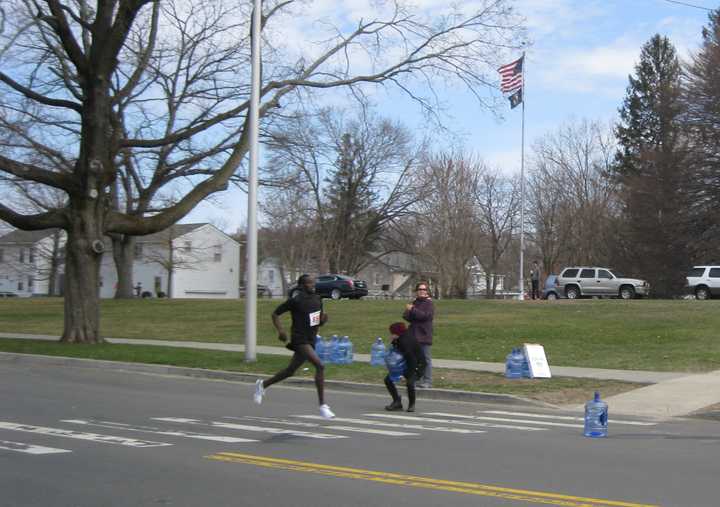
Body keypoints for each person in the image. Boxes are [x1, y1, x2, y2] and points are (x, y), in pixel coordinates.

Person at [253, 274, 335, 419]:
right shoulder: (295, 301)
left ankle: (262, 385)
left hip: (311, 339)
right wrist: (281, 331)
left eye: (313, 282)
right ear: (302, 286)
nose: (313, 285)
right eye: (309, 283)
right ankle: (323, 406)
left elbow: (315, 322)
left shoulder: (318, 299)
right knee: (320, 366)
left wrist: (323, 321)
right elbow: (275, 314)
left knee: (290, 371)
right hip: (299, 340)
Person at [383, 322, 427, 413]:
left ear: (397, 333)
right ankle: (397, 402)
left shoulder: (405, 342)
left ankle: (411, 405)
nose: (391, 335)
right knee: (388, 380)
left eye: (392, 333)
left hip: (418, 365)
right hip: (405, 364)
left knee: (410, 382)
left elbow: (412, 360)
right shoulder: (399, 339)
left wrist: (405, 375)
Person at [403, 281, 434, 388]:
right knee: (416, 359)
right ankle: (417, 379)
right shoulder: (415, 302)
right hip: (413, 334)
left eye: (424, 289)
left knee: (426, 359)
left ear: (427, 291)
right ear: (417, 291)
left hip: (424, 334)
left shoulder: (429, 303)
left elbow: (425, 316)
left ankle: (428, 381)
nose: (422, 291)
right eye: (420, 289)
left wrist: (413, 309)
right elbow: (406, 317)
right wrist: (408, 310)